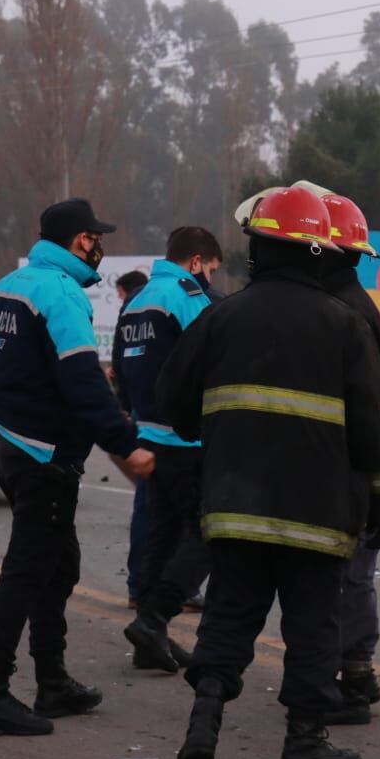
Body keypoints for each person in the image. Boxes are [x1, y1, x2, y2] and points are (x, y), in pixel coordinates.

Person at [159, 185, 380, 759]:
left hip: (235, 507)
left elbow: (173, 403)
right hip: (317, 515)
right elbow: (375, 427)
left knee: (229, 617)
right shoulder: (344, 326)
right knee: (313, 627)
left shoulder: (220, 317)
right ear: (317, 251)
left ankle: (203, 727)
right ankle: (304, 742)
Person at [0, 198, 155, 736]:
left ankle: (53, 683)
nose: (100, 246)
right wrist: (126, 442)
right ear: (79, 241)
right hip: (42, 456)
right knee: (25, 575)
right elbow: (81, 380)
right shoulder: (62, 294)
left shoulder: (7, 286)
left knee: (58, 565)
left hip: (10, 442)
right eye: (96, 237)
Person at [313, 188, 380, 726]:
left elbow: (368, 407)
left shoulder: (341, 311)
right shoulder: (352, 304)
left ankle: (353, 673)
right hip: (365, 465)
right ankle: (355, 670)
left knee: (346, 575)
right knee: (352, 573)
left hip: (353, 468)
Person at [119, 227, 222, 672]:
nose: (211, 281)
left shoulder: (136, 300)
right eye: (212, 271)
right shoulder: (186, 296)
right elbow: (213, 360)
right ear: (196, 261)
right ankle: (155, 618)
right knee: (208, 532)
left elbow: (121, 370)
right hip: (187, 438)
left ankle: (150, 639)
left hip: (149, 434)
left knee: (160, 536)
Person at [110, 268, 149, 610]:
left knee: (147, 504)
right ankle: (167, 590)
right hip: (171, 425)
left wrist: (124, 405)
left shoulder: (133, 309)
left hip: (141, 413)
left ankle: (139, 587)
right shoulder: (174, 301)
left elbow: (119, 362)